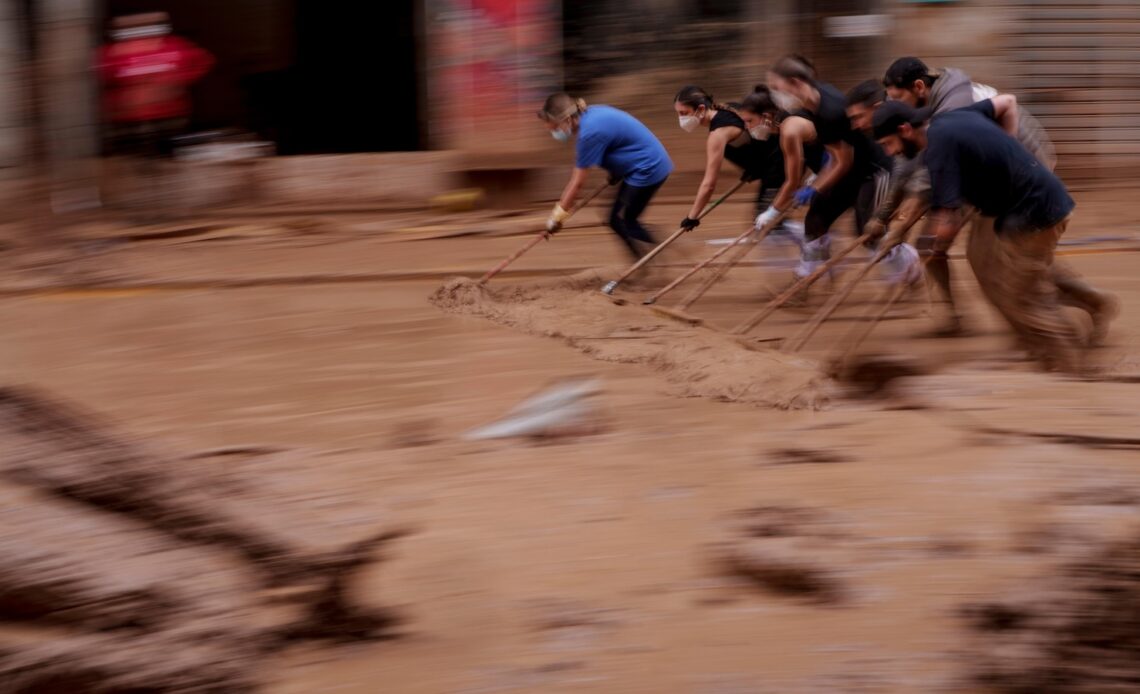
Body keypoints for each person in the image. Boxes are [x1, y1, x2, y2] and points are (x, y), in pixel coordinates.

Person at [872, 100, 1119, 372]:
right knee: (1010, 284)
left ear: (905, 129)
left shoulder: (938, 151)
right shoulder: (952, 118)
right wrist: (1007, 150)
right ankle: (1060, 341)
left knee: (1021, 299)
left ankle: (1072, 365)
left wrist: (923, 254)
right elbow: (1005, 104)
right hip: (1032, 206)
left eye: (888, 144)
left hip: (1035, 213)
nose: (890, 152)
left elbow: (948, 222)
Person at [755, 56, 909, 294]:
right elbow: (835, 154)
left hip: (873, 170)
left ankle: (909, 269)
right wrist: (815, 186)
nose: (775, 96)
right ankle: (804, 281)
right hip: (850, 171)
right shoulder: (812, 104)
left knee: (868, 232)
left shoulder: (830, 109)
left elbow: (843, 160)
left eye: (777, 88)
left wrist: (813, 188)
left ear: (795, 83)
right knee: (815, 220)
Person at [539, 93, 673, 261]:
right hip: (639, 165)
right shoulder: (591, 115)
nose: (554, 133)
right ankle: (644, 261)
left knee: (626, 221)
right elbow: (616, 142)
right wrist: (616, 171)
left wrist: (556, 218)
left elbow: (577, 183)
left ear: (566, 119)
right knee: (614, 220)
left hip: (648, 168)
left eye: (555, 128)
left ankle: (663, 251)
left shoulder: (588, 134)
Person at [671, 86, 794, 243]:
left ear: (701, 108)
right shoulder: (728, 108)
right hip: (774, 162)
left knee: (767, 223)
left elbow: (708, 185)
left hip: (781, 162)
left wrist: (692, 216)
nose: (681, 119)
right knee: (767, 221)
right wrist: (753, 167)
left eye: (684, 113)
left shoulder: (718, 134)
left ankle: (804, 246)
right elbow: (752, 140)